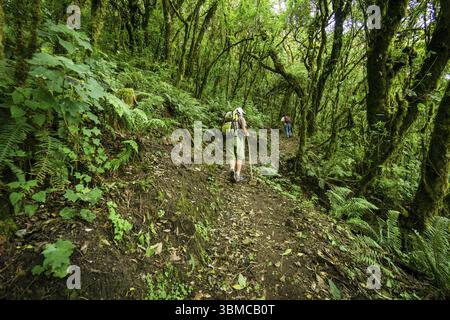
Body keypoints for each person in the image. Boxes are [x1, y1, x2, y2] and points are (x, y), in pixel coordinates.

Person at [225, 107, 249, 183]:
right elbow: (244, 128)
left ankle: (232, 169)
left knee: (231, 156)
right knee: (239, 157)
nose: (243, 114)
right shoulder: (241, 118)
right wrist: (247, 134)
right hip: (237, 138)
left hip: (229, 137)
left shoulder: (230, 119)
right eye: (242, 113)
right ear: (240, 112)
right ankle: (237, 174)